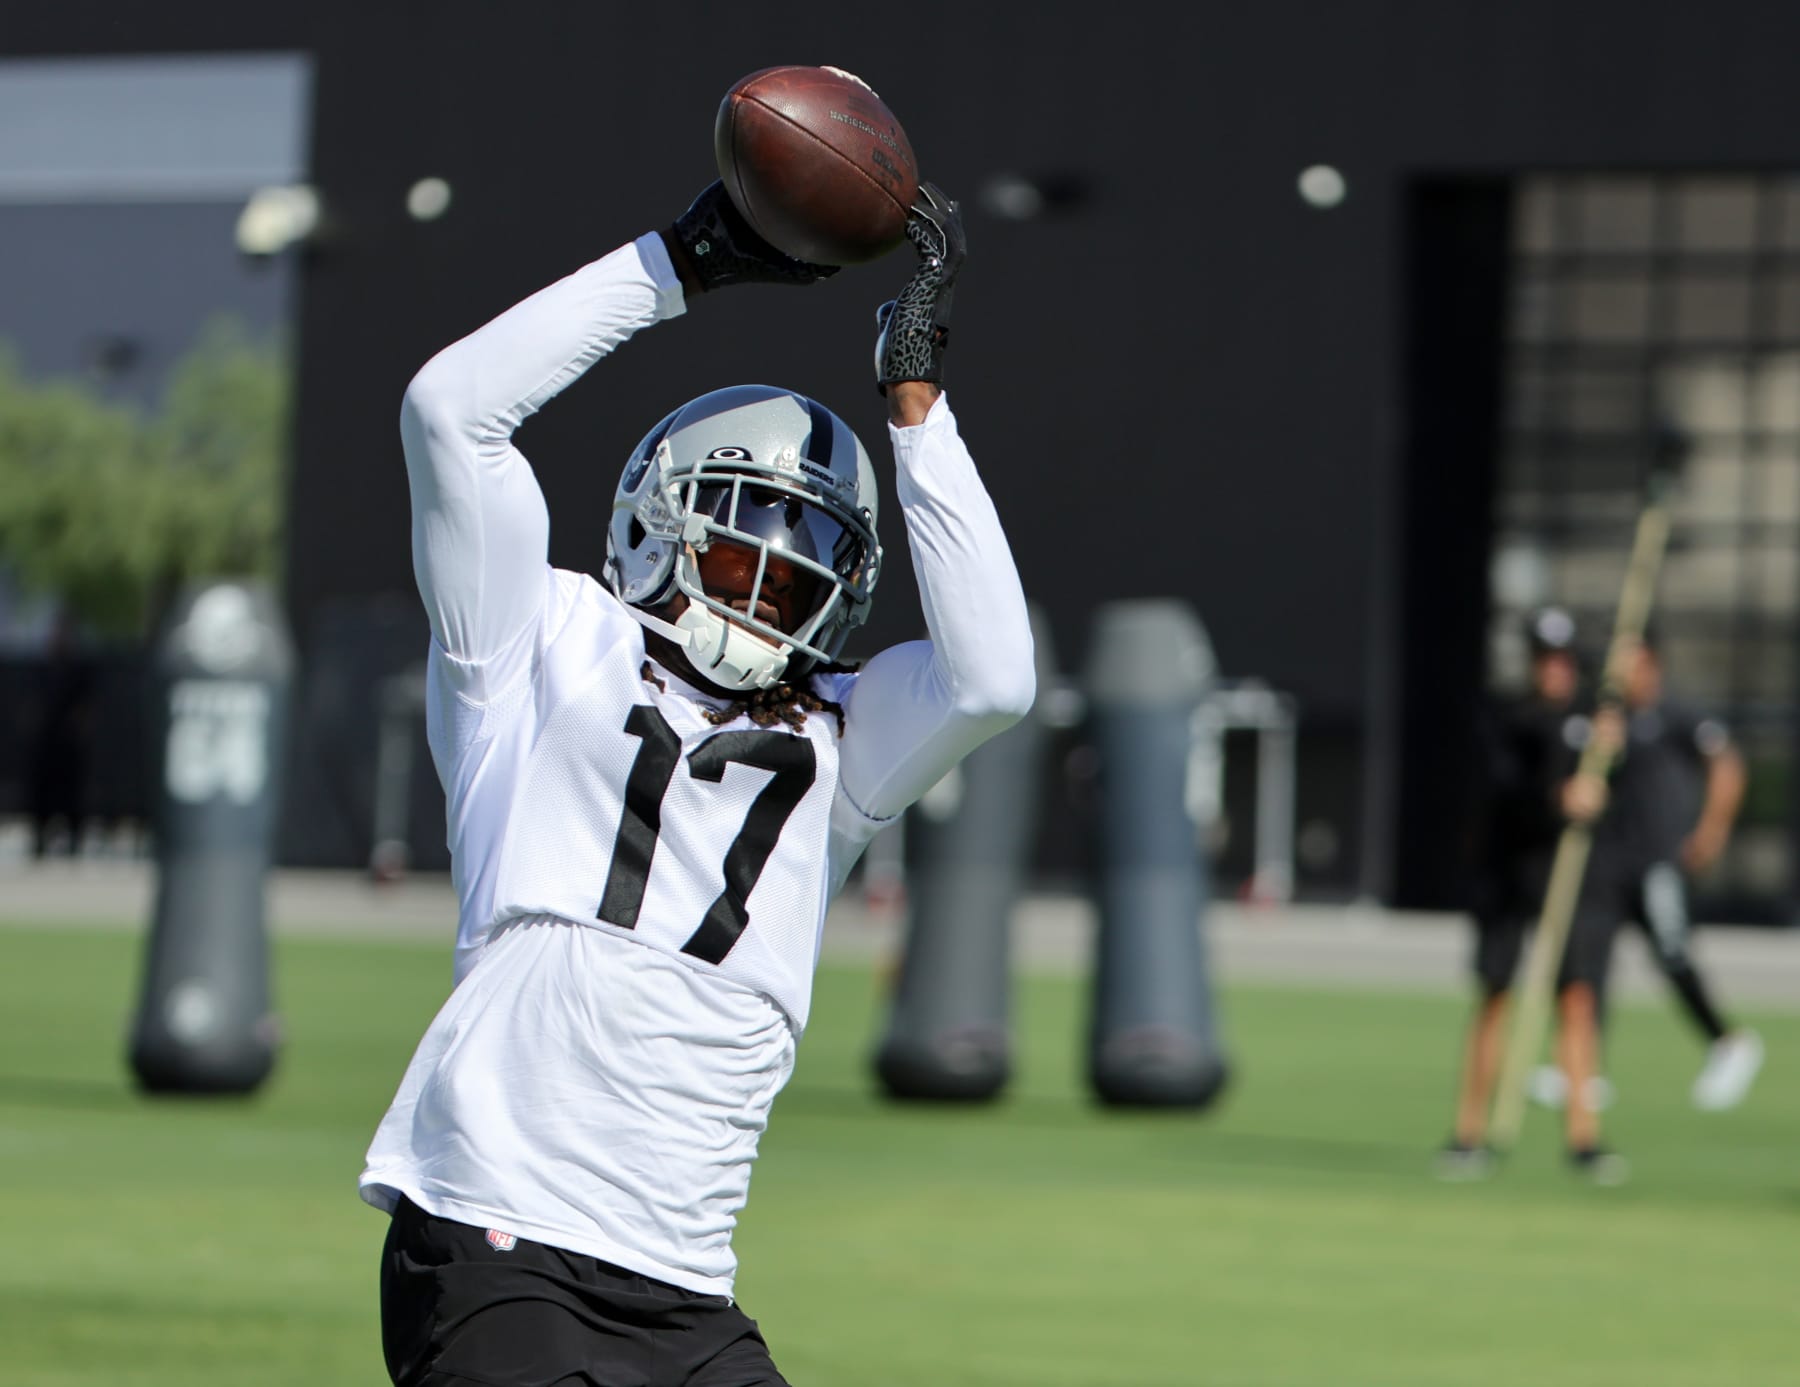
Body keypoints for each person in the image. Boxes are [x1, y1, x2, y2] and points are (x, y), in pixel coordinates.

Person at [359, 176, 1034, 1387]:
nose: (772, 577)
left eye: (805, 561)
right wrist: (679, 261)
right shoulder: (536, 640)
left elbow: (995, 678)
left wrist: (918, 408)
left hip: (683, 1284)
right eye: (743, 537)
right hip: (499, 1235)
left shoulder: (842, 736)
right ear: (655, 522)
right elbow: (449, 410)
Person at [1439, 606, 1628, 1183]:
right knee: (1495, 997)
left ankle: (1583, 1138)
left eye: (1561, 659)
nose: (1553, 670)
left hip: (1569, 876)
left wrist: (1608, 763)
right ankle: (1471, 1132)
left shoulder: (1595, 721)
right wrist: (1556, 797)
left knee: (1576, 999)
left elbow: (1625, 790)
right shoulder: (1506, 717)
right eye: (1544, 658)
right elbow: (1502, 789)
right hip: (1509, 874)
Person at [1592, 630, 1762, 1111]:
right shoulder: (1609, 719)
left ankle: (1728, 1043)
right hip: (1610, 857)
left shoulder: (1679, 714)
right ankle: (1585, 1070)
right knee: (1591, 955)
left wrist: (1710, 831)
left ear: (1651, 664)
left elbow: (1727, 765)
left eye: (1630, 662)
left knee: (1671, 954)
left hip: (1657, 859)